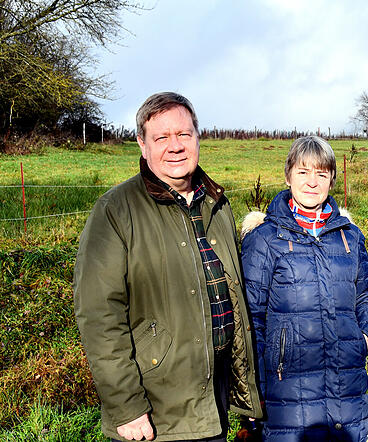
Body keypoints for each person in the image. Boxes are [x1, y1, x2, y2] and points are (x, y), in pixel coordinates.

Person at [73, 92, 262, 441]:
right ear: (142, 145)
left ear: (197, 137)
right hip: (156, 411)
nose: (175, 146)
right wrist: (126, 406)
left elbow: (234, 299)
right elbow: (100, 317)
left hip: (214, 399)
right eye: (161, 137)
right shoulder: (116, 211)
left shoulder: (217, 203)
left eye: (183, 134)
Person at [241, 135, 368, 441]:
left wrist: (366, 338)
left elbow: (366, 294)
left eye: (321, 173)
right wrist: (254, 390)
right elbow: (250, 320)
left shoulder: (349, 237)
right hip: (287, 395)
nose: (312, 182)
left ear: (332, 179)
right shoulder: (265, 239)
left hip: (347, 390)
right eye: (303, 172)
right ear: (288, 175)